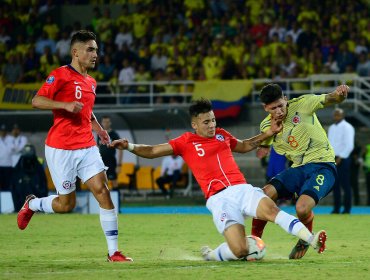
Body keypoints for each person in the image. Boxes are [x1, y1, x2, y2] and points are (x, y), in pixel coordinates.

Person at [109, 98, 327, 262]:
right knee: (240, 251)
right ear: (195, 125)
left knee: (272, 211)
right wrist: (128, 146)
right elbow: (153, 150)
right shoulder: (185, 141)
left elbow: (243, 145)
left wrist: (268, 132)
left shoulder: (222, 135)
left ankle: (312, 239)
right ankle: (213, 254)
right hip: (219, 199)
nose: (212, 125)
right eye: (206, 122)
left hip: (242, 189)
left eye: (213, 120)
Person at [17, 30, 132, 262]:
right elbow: (36, 101)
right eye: (90, 49)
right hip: (61, 148)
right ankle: (33, 203)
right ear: (75, 52)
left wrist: (98, 127)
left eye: (96, 50)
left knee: (103, 192)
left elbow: (86, 113)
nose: (95, 54)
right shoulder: (60, 75)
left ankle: (114, 252)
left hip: (87, 146)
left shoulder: (91, 82)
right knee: (66, 204)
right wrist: (64, 105)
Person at [251, 83, 350, 260]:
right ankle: (253, 241)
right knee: (264, 195)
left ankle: (305, 238)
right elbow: (263, 146)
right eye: (273, 108)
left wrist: (339, 95)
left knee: (302, 209)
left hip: (323, 165)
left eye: (281, 105)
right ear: (265, 108)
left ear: (286, 99)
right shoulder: (266, 125)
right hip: (297, 169)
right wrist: (263, 148)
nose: (279, 111)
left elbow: (330, 98)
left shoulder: (303, 104)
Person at [328, 108, 355, 214]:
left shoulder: (348, 127)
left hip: (344, 158)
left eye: (338, 115)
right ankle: (336, 208)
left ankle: (347, 209)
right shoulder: (331, 128)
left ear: (343, 115)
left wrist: (341, 157)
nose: (336, 117)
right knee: (335, 185)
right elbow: (329, 144)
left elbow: (349, 145)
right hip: (333, 158)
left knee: (345, 185)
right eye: (335, 115)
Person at [11, 144, 48, 212]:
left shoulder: (38, 168)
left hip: (37, 207)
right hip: (21, 207)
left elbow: (44, 186)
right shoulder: (18, 168)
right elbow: (14, 188)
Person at [97, 116, 123, 189]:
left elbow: (121, 149)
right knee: (103, 182)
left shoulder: (114, 134)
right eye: (104, 122)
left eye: (107, 122)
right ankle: (106, 199)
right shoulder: (100, 134)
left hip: (111, 162)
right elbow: (98, 148)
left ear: (110, 123)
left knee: (114, 181)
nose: (106, 123)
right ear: (101, 123)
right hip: (102, 162)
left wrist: (119, 165)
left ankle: (116, 199)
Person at [0, 124, 14, 190]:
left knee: (8, 184)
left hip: (8, 165)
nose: (3, 132)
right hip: (0, 165)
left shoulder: (10, 139)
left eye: (4, 131)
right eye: (2, 131)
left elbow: (12, 149)